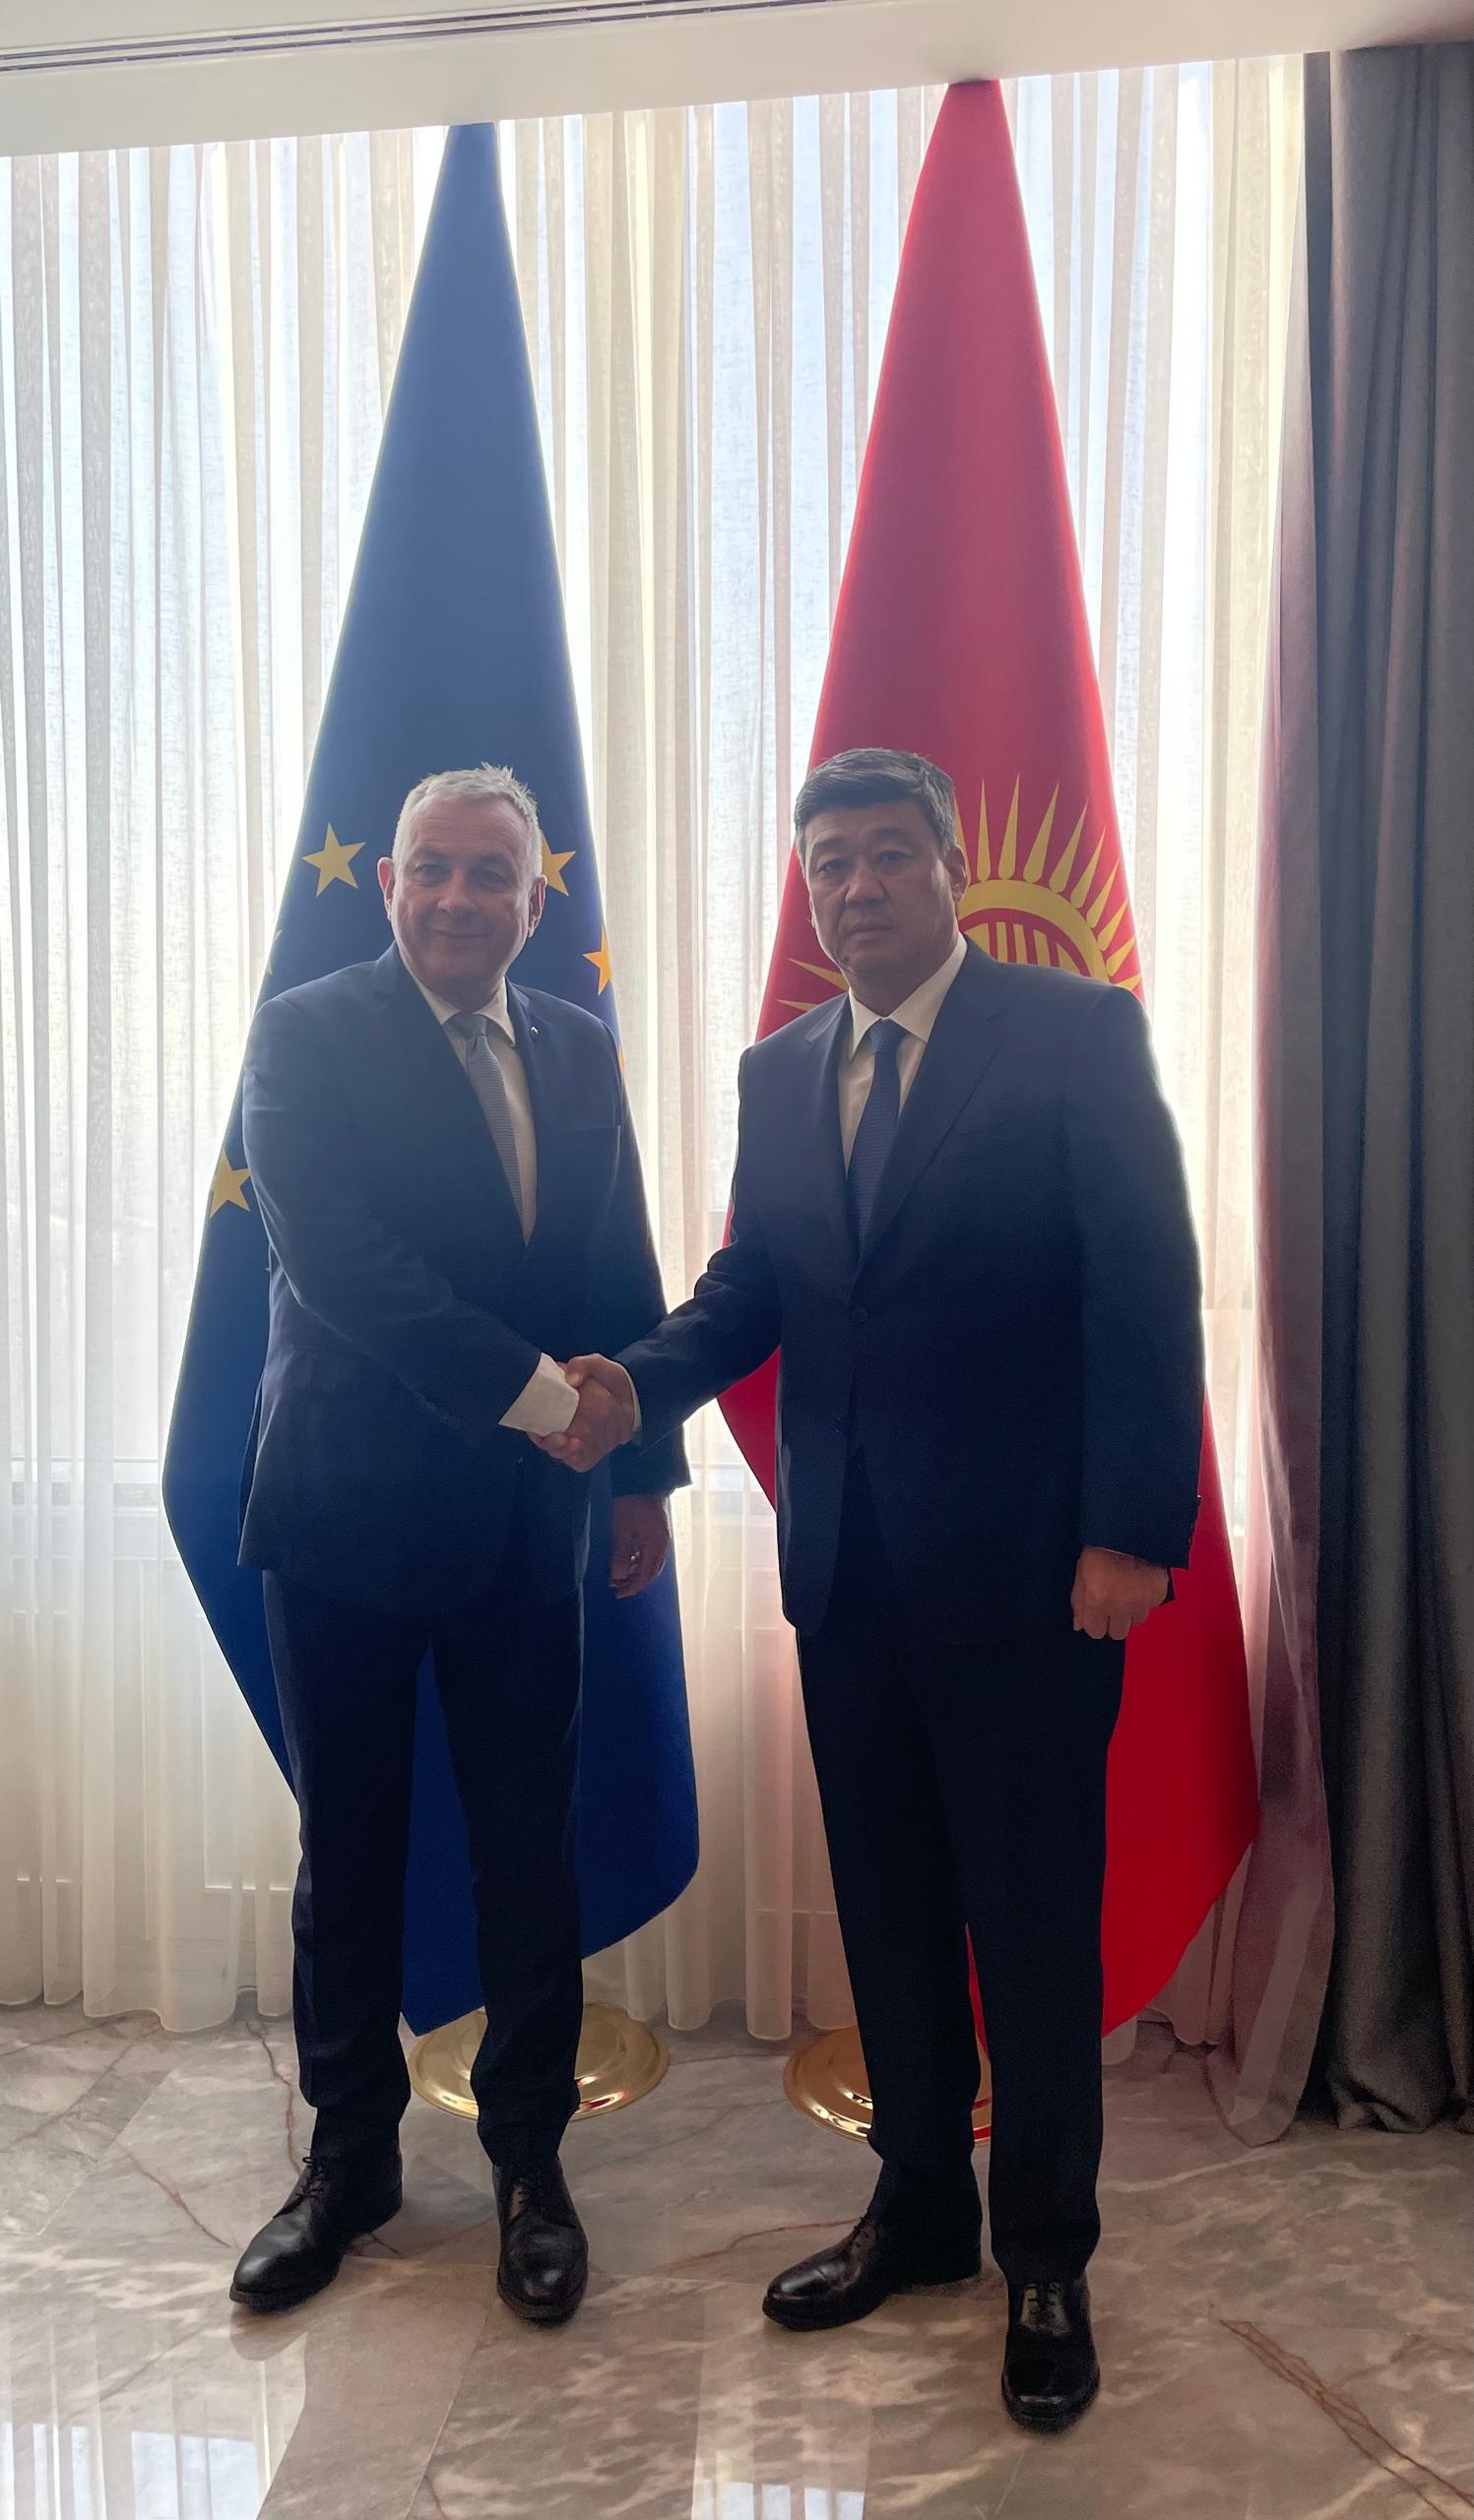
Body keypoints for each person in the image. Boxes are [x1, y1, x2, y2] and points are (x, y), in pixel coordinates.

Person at [540, 747, 1202, 2431]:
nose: (855, 887)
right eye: (828, 862)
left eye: (889, 855)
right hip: (848, 1573)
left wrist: (1131, 1529)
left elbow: (1144, 1287)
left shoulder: (1071, 1033)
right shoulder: (779, 1070)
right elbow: (752, 1287)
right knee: (892, 1916)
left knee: (1029, 1929)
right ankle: (916, 2212)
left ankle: (1043, 2255)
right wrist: (630, 1385)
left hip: (1037, 1580)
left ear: (950, 868)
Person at [229, 763, 684, 2325]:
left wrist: (641, 1472)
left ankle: (528, 2164)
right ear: (388, 883)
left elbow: (616, 1257)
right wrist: (553, 1401)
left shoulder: (578, 1045)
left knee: (525, 1853)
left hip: (523, 1523)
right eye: (430, 867)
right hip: (343, 1512)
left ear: (534, 902)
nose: (455, 897)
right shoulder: (304, 1032)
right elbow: (343, 1268)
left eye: (491, 873)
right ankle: (347, 2163)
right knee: (351, 1852)